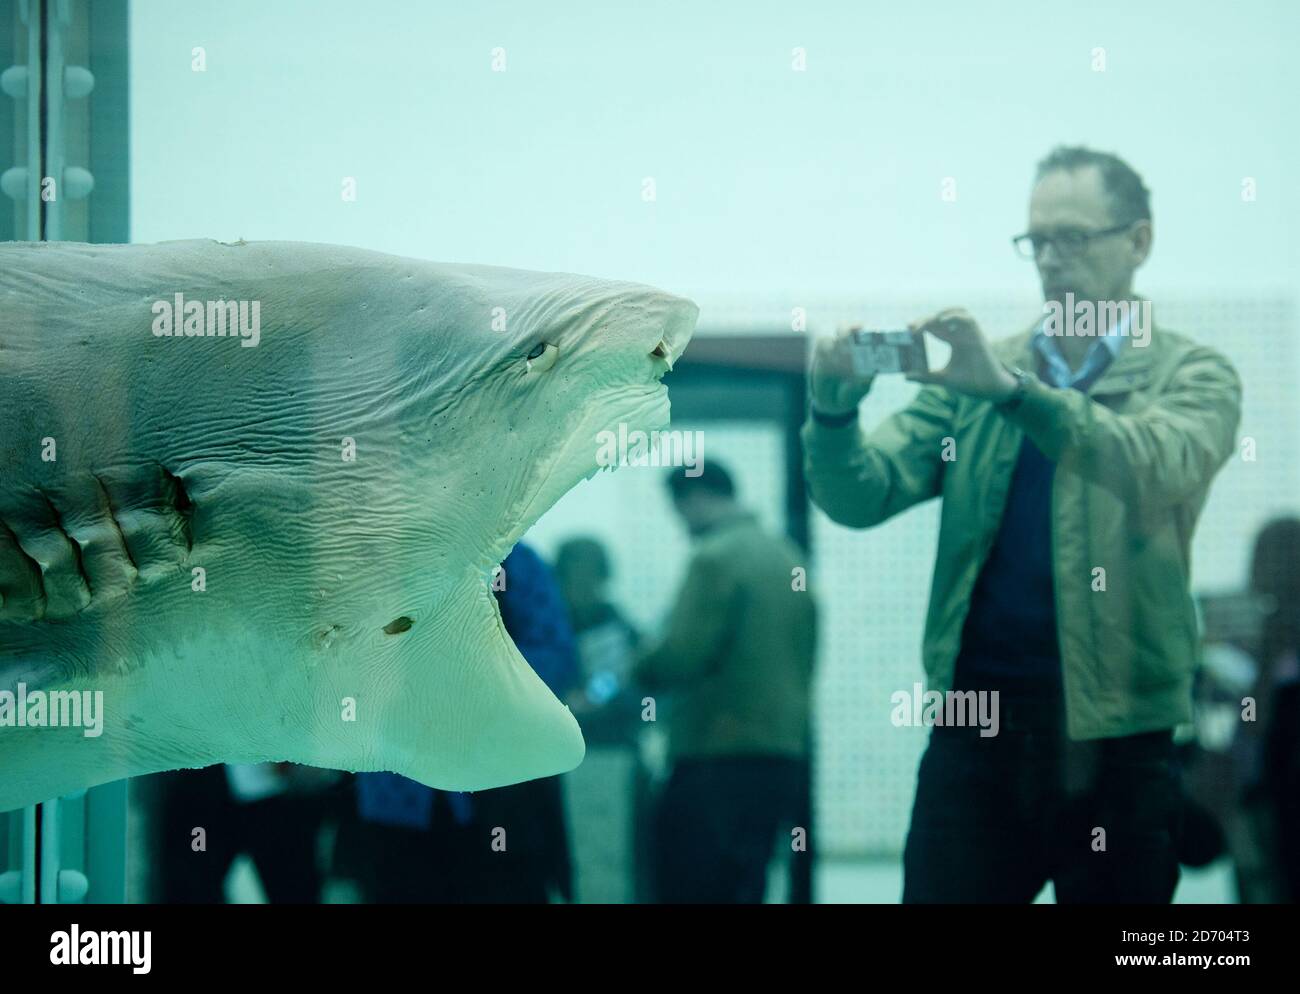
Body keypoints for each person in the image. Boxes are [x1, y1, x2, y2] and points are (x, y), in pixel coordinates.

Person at [804, 146, 1242, 903]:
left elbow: (1149, 463)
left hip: (1122, 738)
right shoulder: (980, 373)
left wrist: (1015, 394)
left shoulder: (1191, 375)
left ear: (1138, 241)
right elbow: (863, 496)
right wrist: (833, 411)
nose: (1051, 259)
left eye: (1074, 237)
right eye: (1037, 240)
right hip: (977, 730)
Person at [338, 540, 578, 903]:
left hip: (500, 790)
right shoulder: (372, 565)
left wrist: (463, 678)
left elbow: (557, 658)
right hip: (396, 791)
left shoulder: (513, 560)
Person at [634, 461, 817, 903]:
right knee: (744, 884)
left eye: (679, 513)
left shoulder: (715, 558)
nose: (682, 527)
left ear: (694, 500)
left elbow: (682, 653)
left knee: (689, 883)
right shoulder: (788, 557)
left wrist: (636, 667)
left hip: (715, 753)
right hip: (780, 752)